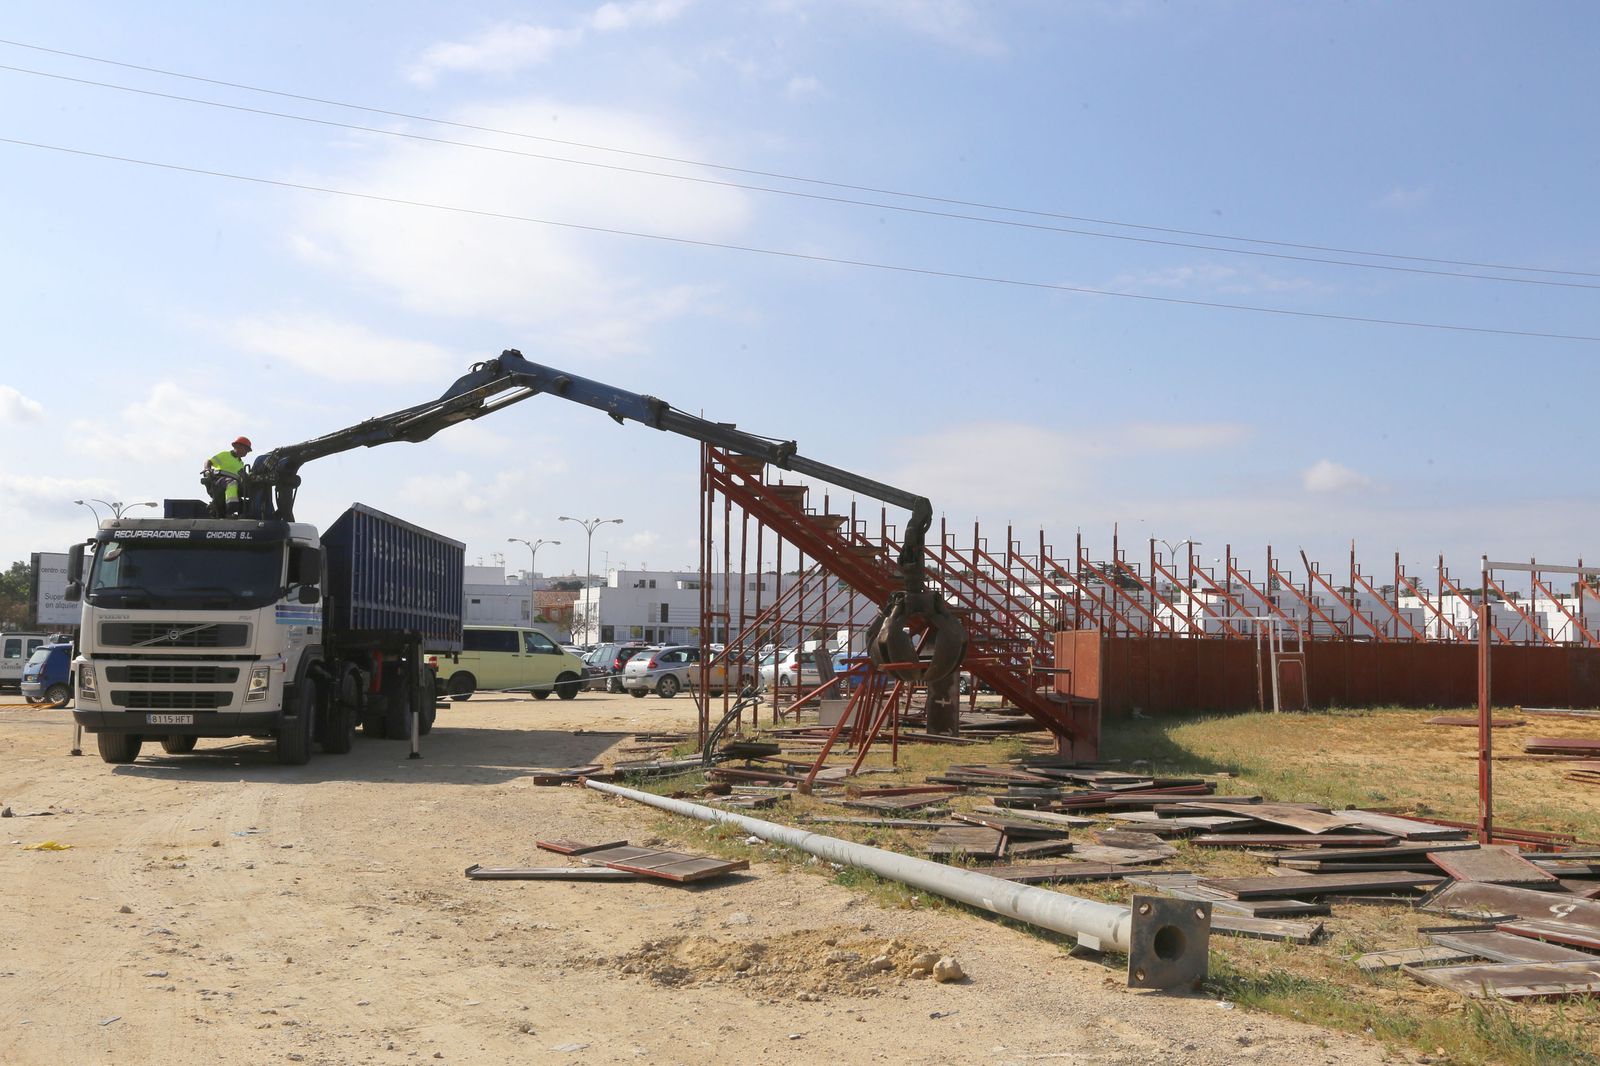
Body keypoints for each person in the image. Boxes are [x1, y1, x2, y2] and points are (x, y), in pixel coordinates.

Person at [204, 436, 252, 513]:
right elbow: (209, 461)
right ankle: (231, 510)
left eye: (247, 451)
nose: (246, 452)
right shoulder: (225, 455)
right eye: (245, 449)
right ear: (237, 446)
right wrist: (207, 469)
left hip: (233, 484)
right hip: (219, 481)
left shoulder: (241, 464)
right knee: (232, 483)